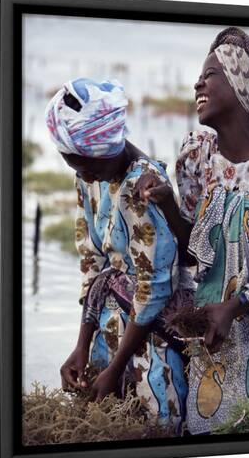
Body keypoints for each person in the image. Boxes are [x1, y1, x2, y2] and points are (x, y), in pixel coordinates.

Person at [137, 27, 249, 434]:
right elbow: (195, 252)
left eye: (211, 74)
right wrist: (169, 205)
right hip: (213, 330)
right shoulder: (197, 157)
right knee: (210, 431)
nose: (198, 83)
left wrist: (236, 306)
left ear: (240, 86)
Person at [44, 77, 189, 431]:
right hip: (109, 326)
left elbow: (155, 286)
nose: (84, 176)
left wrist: (116, 367)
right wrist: (82, 345)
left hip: (149, 337)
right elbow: (91, 259)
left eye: (86, 166)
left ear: (105, 151)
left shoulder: (143, 188)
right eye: (74, 167)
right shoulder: (89, 175)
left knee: (153, 426)